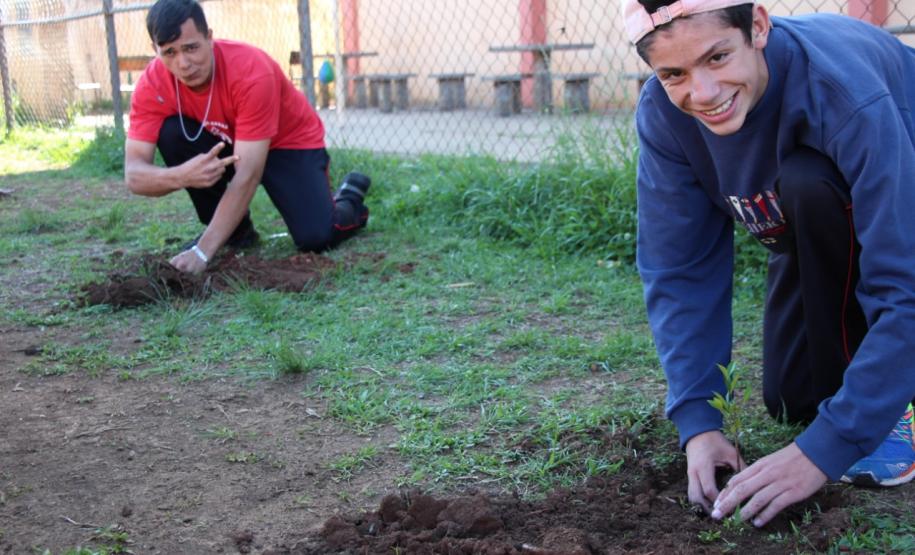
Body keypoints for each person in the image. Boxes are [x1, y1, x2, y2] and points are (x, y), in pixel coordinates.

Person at [622, 0, 915, 527]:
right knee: (792, 399)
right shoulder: (665, 115)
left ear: (757, 26)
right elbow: (679, 270)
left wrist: (827, 447)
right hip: (822, 227)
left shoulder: (844, 95)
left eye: (717, 57)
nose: (703, 93)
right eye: (673, 74)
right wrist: (700, 422)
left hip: (905, 211)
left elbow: (906, 282)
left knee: (809, 181)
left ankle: (896, 406)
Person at [125, 0, 370, 274]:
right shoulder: (152, 84)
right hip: (226, 140)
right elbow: (134, 175)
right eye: (169, 52)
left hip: (286, 142)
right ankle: (237, 233)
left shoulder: (251, 71)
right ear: (155, 50)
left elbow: (248, 174)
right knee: (172, 132)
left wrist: (202, 251)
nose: (183, 63)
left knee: (316, 236)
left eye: (191, 48)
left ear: (209, 37)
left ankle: (350, 196)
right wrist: (182, 175)